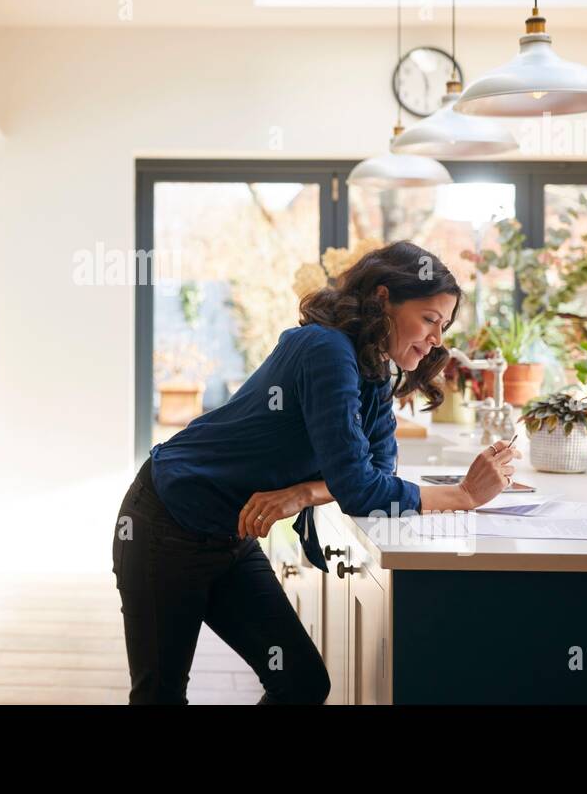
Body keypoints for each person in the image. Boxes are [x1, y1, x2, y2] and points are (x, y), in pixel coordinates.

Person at [111, 240, 520, 704]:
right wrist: (464, 495)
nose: (437, 340)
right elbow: (363, 489)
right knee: (159, 695)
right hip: (166, 522)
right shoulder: (325, 349)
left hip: (229, 536)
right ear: (383, 299)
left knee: (301, 682)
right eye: (429, 319)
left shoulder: (373, 371)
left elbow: (377, 471)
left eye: (443, 327)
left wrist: (304, 492)